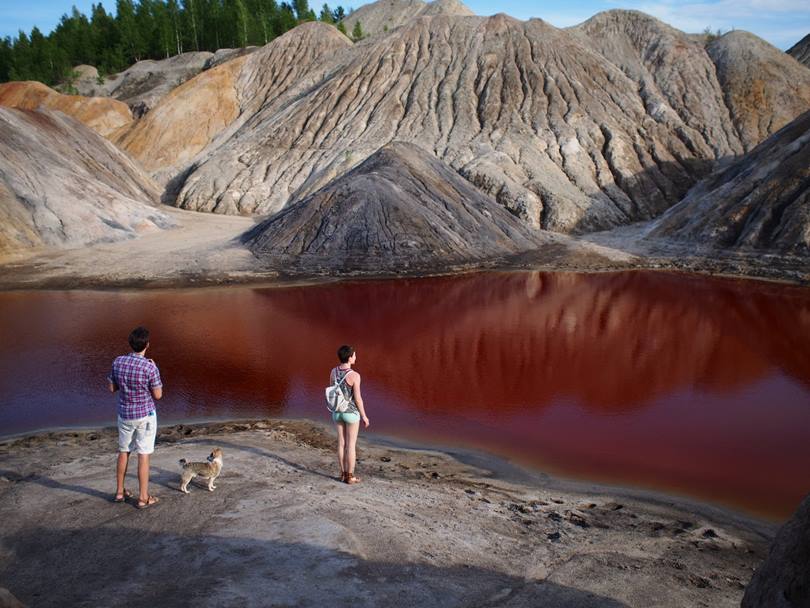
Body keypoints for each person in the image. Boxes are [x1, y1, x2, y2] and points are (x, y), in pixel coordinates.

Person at [108, 326, 163, 508]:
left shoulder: (118, 362)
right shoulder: (149, 367)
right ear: (147, 345)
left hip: (124, 414)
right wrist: (156, 369)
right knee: (143, 455)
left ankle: (119, 492)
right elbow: (158, 395)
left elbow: (111, 388)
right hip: (145, 416)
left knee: (124, 451)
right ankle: (143, 498)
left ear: (130, 344)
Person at [331, 345, 370, 484]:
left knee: (341, 444)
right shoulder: (355, 375)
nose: (355, 357)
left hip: (337, 412)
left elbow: (333, 391)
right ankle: (350, 476)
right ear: (349, 357)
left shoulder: (333, 372)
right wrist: (364, 416)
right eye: (354, 355)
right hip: (351, 413)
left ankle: (342, 474)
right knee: (351, 445)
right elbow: (358, 398)